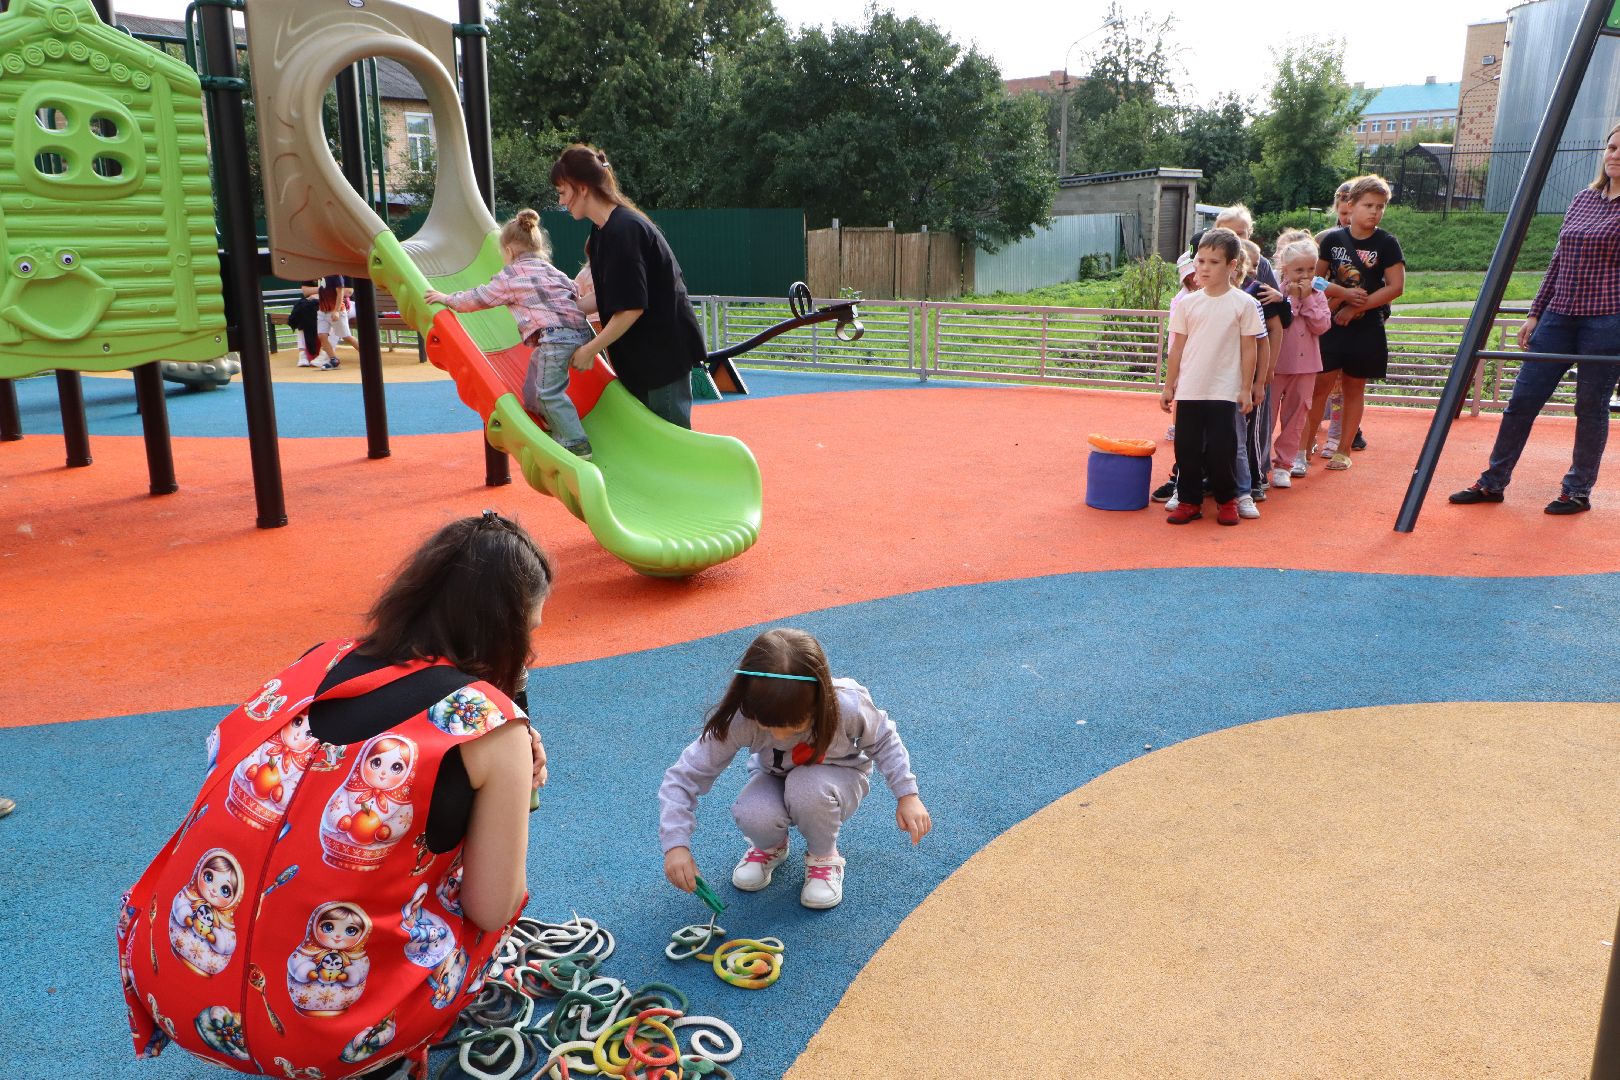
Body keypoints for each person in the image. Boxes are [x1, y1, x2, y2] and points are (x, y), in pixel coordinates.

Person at [118, 513, 551, 1079]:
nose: (534, 652)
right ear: (505, 630)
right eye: (532, 632)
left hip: (178, 983)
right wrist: (513, 779)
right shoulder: (492, 726)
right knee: (485, 904)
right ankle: (389, 1056)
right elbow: (490, 906)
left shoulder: (319, 659)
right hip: (327, 1032)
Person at [659, 628, 931, 910]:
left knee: (805, 785)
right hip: (775, 776)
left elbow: (884, 740)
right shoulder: (747, 716)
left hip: (840, 778)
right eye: (768, 727)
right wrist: (676, 845)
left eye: (796, 727)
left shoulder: (847, 705)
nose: (779, 737)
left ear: (819, 699)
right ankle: (771, 848)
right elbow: (683, 776)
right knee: (753, 811)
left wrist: (907, 794)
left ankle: (824, 857)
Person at [1451, 122, 1620, 514]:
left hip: (1607, 319)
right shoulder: (1583, 199)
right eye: (1611, 147)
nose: (1614, 154)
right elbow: (1558, 261)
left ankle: (1577, 490)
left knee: (1589, 407)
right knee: (1522, 399)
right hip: (1558, 316)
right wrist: (1534, 313)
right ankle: (1493, 481)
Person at [550, 145, 705, 428]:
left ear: (582, 187)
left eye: (562, 192)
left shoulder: (624, 229)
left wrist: (590, 350)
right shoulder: (601, 230)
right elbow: (612, 292)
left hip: (662, 359)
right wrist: (567, 307)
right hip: (644, 360)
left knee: (669, 447)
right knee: (650, 444)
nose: (561, 201)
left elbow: (632, 306)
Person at [426, 209, 595, 460]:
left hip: (555, 338)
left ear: (509, 251)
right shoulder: (553, 271)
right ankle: (539, 410)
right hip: (581, 334)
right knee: (539, 367)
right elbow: (573, 293)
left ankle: (576, 442)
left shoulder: (510, 276)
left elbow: (479, 298)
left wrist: (447, 299)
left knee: (550, 391)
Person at [1161, 228, 1261, 526]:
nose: (1203, 268)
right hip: (1190, 389)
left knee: (1222, 449)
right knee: (1186, 448)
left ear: (1232, 266)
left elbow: (1249, 349)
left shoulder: (1244, 303)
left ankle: (1227, 500)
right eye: (1200, 261)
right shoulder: (1187, 304)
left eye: (1213, 262)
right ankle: (1190, 500)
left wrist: (1245, 388)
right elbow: (1177, 348)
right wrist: (1169, 386)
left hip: (1224, 391)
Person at [1305, 175, 1403, 472]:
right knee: (1319, 385)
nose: (1375, 212)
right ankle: (1304, 446)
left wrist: (1357, 306)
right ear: (1351, 205)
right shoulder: (1333, 240)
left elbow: (1395, 286)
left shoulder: (1387, 242)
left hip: (1367, 326)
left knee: (1354, 387)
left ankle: (1344, 448)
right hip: (1332, 324)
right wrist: (1343, 296)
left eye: (1381, 206)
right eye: (1368, 205)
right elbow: (1314, 279)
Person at [1269, 238, 1332, 488]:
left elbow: (1322, 325)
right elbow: (1282, 320)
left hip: (1306, 367)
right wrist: (1292, 298)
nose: (1305, 275)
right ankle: (1260, 463)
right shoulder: (1276, 292)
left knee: (1296, 418)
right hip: (1274, 365)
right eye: (1298, 270)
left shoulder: (1319, 294)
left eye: (1310, 269)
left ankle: (1285, 463)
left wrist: (1307, 299)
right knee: (1266, 416)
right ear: (1285, 268)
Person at [1152, 252, 1201, 505]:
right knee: (1187, 434)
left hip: (1216, 378)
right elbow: (1175, 345)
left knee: (1217, 437)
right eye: (1190, 275)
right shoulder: (1181, 301)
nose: (1195, 279)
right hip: (1187, 371)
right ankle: (1181, 484)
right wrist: (1169, 384)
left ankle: (1229, 490)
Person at [314, 279, 359, 371]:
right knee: (322, 335)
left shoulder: (335, 275)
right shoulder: (320, 274)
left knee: (346, 337)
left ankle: (367, 355)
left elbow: (340, 292)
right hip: (322, 311)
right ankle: (334, 360)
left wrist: (336, 311)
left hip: (336, 310)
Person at [289, 281, 322, 367]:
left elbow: (346, 291)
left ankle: (325, 354)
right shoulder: (310, 271)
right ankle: (302, 354)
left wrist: (320, 294)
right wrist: (323, 291)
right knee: (302, 314)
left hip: (339, 305)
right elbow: (305, 291)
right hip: (312, 305)